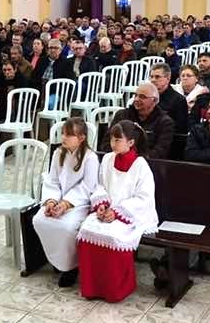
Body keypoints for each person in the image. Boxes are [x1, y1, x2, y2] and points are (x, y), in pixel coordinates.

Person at [77, 121, 158, 303]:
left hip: (130, 215)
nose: (113, 144)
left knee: (114, 236)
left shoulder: (140, 165)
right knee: (87, 230)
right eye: (112, 139)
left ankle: (115, 290)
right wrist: (101, 205)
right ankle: (92, 287)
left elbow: (143, 198)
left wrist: (117, 212)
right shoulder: (107, 159)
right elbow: (100, 186)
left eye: (117, 140)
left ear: (131, 142)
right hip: (107, 211)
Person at [33, 117, 99, 288]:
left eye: (69, 135)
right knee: (39, 220)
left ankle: (71, 267)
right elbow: (52, 181)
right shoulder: (58, 153)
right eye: (63, 134)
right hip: (58, 200)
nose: (64, 138)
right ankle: (56, 260)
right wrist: (51, 201)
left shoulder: (90, 158)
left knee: (67, 227)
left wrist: (66, 204)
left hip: (79, 204)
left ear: (82, 138)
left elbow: (87, 187)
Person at [105, 83, 174, 159]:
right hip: (118, 160)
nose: (136, 99)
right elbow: (106, 143)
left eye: (142, 97)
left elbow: (160, 152)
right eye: (135, 95)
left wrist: (135, 160)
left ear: (154, 101)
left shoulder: (165, 122)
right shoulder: (122, 115)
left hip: (147, 165)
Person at [150, 63, 190, 133]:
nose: (153, 80)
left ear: (168, 79)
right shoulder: (148, 97)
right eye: (151, 77)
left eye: (157, 77)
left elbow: (181, 130)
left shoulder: (179, 100)